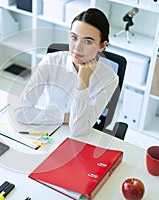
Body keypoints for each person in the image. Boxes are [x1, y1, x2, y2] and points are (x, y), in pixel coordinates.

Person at [15, 8, 119, 136]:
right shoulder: (51, 61)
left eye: (87, 41)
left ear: (102, 46)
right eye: (74, 38)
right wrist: (64, 117)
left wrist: (83, 82)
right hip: (48, 130)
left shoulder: (109, 78)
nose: (77, 47)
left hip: (76, 138)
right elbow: (20, 113)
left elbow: (78, 130)